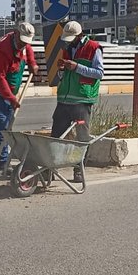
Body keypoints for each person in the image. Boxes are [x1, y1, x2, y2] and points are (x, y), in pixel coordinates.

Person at [0, 22, 42, 170]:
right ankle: (1, 164)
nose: (23, 45)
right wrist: (12, 99)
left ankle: (0, 162)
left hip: (7, 95)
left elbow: (28, 49)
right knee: (3, 130)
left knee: (6, 129)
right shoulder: (3, 51)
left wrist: (32, 63)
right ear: (15, 33)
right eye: (21, 41)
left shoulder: (22, 43)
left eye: (26, 42)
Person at [51, 20, 104, 183]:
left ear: (79, 35)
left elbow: (99, 73)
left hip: (82, 98)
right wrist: (62, 70)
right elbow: (66, 74)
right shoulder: (68, 48)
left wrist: (76, 67)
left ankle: (78, 171)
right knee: (56, 136)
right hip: (64, 99)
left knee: (82, 137)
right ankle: (50, 169)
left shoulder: (93, 48)